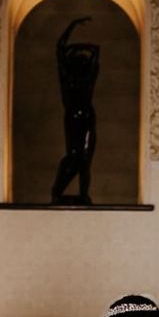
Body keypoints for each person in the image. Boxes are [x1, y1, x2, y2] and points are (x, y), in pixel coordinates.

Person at [50, 16, 100, 205]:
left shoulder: (88, 79)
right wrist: (71, 25)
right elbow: (59, 49)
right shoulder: (67, 78)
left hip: (87, 117)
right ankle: (57, 190)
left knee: (86, 160)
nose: (81, 63)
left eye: (82, 61)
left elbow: (96, 51)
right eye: (78, 60)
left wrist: (77, 48)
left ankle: (83, 195)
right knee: (73, 156)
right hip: (73, 117)